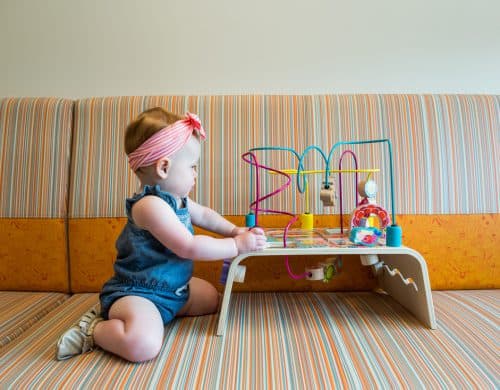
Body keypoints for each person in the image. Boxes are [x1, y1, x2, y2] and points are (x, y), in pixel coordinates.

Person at [56, 108, 266, 362]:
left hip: (174, 291)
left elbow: (207, 216)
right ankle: (94, 330)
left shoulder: (179, 200)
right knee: (142, 346)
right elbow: (188, 247)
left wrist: (234, 229)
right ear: (164, 167)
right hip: (139, 293)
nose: (195, 174)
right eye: (192, 167)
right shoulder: (149, 206)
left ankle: (158, 315)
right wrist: (235, 245)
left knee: (211, 298)